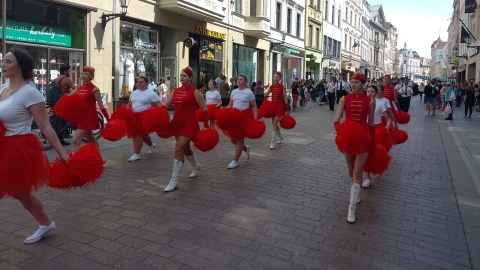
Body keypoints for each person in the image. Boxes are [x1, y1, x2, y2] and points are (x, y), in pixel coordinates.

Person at [0, 47, 70, 243]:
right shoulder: (1, 89)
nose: (3, 64)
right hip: (2, 145)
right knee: (20, 191)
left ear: (20, 66)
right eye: (3, 60)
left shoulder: (30, 93)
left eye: (8, 61)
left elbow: (45, 127)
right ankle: (46, 222)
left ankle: (46, 223)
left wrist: (62, 154)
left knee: (22, 191)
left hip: (17, 147)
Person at [333, 73, 375, 223]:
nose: (353, 84)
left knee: (358, 172)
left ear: (363, 84)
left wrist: (373, 141)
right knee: (351, 170)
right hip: (348, 139)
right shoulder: (344, 99)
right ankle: (355, 192)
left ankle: (351, 208)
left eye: (356, 82)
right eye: (351, 82)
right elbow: (336, 120)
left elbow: (371, 123)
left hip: (363, 140)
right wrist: (341, 132)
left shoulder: (370, 100)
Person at [163, 67, 209, 192]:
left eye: (184, 76)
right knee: (185, 149)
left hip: (189, 124)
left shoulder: (196, 92)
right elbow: (166, 105)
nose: (181, 77)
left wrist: (206, 126)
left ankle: (173, 181)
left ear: (190, 78)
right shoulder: (175, 91)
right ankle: (196, 166)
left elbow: (204, 109)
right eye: (180, 75)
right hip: (177, 123)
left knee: (178, 149)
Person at [70, 66, 111, 152]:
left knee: (75, 141)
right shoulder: (79, 88)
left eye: (86, 74)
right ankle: (99, 159)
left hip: (89, 117)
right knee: (92, 141)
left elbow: (101, 105)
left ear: (91, 76)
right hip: (81, 117)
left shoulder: (94, 89)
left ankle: (76, 163)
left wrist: (108, 119)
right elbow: (69, 98)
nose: (83, 76)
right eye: (82, 74)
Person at [362, 84, 392, 188]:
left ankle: (379, 167)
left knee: (376, 151)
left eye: (372, 92)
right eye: (368, 91)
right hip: (366, 130)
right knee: (365, 153)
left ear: (376, 93)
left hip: (377, 130)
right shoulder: (363, 103)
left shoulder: (380, 104)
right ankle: (367, 178)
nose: (370, 93)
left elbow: (388, 119)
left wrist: (386, 130)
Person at [126, 76, 162, 162]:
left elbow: (159, 105)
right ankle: (151, 145)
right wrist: (125, 113)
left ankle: (136, 154)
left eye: (141, 82)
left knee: (137, 134)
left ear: (147, 83)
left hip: (144, 116)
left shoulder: (151, 93)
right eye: (138, 82)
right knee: (143, 134)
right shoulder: (133, 93)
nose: (139, 84)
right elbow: (129, 104)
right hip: (134, 116)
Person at [226, 75, 257, 169]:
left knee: (239, 138)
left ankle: (235, 161)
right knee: (232, 139)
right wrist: (226, 113)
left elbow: (254, 106)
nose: (239, 81)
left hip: (244, 117)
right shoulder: (234, 91)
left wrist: (255, 118)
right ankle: (246, 148)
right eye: (238, 79)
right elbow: (231, 104)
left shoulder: (249, 92)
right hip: (234, 117)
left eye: (241, 79)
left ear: (245, 81)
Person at [264, 71, 289, 149]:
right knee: (274, 124)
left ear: (280, 78)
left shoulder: (283, 87)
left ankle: (272, 142)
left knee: (275, 123)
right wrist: (265, 103)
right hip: (272, 107)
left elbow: (285, 98)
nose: (275, 78)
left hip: (279, 107)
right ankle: (280, 137)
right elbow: (266, 95)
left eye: (277, 77)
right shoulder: (271, 86)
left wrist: (287, 109)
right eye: (274, 77)